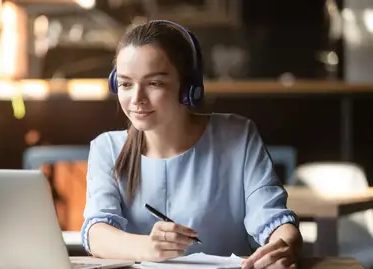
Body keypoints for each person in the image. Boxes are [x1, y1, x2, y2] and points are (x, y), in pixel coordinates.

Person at [80, 20, 302, 269]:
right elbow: (97, 233)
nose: (137, 99)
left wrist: (286, 246)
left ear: (188, 88)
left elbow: (273, 219)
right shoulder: (107, 148)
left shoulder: (237, 136)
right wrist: (149, 247)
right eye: (126, 84)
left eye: (154, 83)